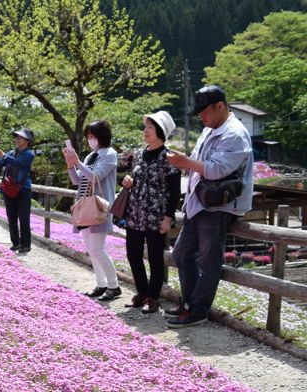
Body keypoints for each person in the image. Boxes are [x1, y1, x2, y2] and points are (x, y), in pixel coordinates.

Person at [164, 85, 254, 328]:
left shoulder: (234, 133)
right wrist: (185, 161)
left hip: (218, 206)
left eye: (204, 112)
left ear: (220, 106)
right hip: (199, 203)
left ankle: (198, 310)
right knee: (181, 253)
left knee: (208, 260)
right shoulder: (211, 128)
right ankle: (190, 303)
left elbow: (217, 169)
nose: (201, 117)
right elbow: (201, 163)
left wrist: (185, 162)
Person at [119, 111, 181, 314]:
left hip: (156, 216)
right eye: (145, 126)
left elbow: (174, 192)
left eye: (150, 127)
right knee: (133, 254)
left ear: (161, 131)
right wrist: (127, 181)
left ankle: (153, 298)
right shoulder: (138, 154)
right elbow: (134, 178)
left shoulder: (169, 157)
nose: (145, 130)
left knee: (155, 258)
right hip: (135, 214)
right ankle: (141, 292)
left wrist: (168, 217)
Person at [64, 119, 122, 301]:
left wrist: (78, 162)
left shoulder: (110, 154)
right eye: (88, 136)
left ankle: (114, 286)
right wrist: (70, 164)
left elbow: (95, 177)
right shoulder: (91, 156)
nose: (90, 139)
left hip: (100, 207)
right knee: (90, 248)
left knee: (97, 248)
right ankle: (101, 284)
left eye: (92, 136)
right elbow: (77, 180)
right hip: (85, 206)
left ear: (102, 136)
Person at [0, 128, 36, 253]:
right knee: (11, 217)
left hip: (23, 190)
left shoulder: (29, 154)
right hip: (9, 189)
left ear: (28, 141)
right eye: (17, 137)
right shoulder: (11, 153)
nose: (18, 139)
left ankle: (26, 244)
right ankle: (15, 243)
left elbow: (19, 163)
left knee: (24, 218)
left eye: (21, 137)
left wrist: (2, 154)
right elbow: (0, 163)